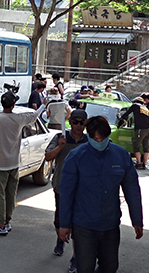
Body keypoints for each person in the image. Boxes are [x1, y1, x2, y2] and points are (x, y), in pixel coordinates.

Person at [59, 116, 143, 273]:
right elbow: (66, 193)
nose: (99, 142)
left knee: (110, 267)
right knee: (85, 267)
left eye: (102, 138)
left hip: (110, 224)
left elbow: (132, 189)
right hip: (84, 224)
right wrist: (64, 224)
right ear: (89, 136)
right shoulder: (76, 157)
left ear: (108, 135)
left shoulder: (121, 155)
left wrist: (137, 219)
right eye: (95, 138)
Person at [0, 91, 43, 236]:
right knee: (10, 193)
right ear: (13, 104)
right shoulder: (19, 119)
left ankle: (1, 224)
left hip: (0, 164)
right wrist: (44, 106)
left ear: (2, 105)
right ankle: (7, 221)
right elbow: (34, 116)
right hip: (14, 163)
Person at [45, 110, 88, 270]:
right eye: (75, 122)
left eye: (81, 122)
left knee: (78, 223)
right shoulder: (60, 138)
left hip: (82, 188)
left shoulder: (89, 140)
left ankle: (76, 258)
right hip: (62, 186)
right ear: (70, 123)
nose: (78, 125)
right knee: (60, 219)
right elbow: (48, 156)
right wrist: (60, 147)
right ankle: (60, 240)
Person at [127, 96, 149, 169]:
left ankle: (139, 163)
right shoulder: (145, 108)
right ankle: (144, 164)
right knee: (146, 146)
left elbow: (127, 113)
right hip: (148, 129)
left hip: (140, 129)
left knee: (136, 145)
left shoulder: (135, 106)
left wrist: (122, 119)